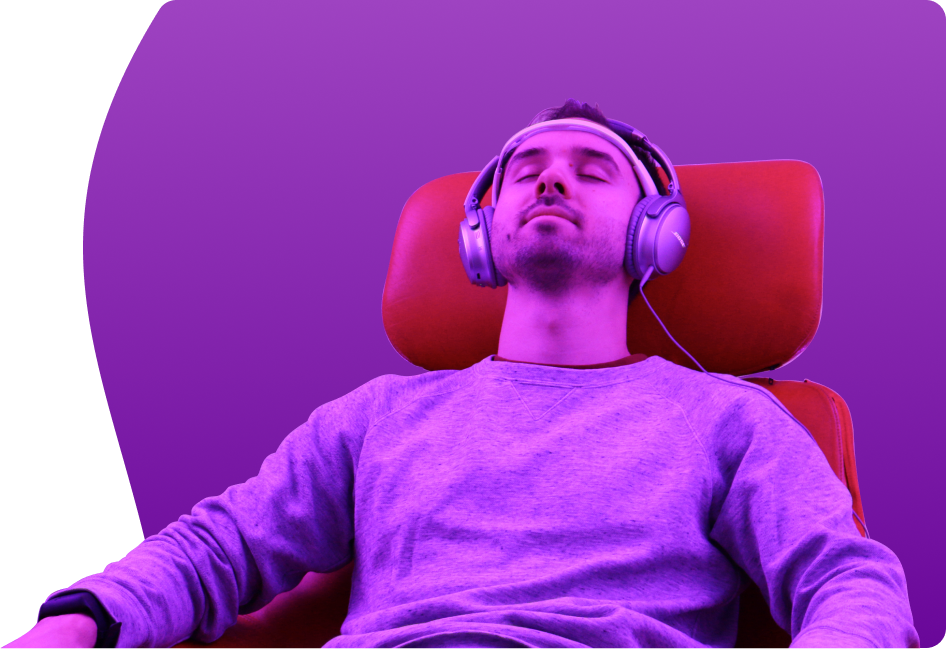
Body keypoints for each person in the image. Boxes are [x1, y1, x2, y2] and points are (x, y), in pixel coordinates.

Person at [8, 99, 919, 649]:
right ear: (479, 234)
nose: (551, 182)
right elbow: (221, 546)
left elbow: (850, 579)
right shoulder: (374, 416)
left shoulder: (732, 420)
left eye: (592, 171)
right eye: (526, 171)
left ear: (657, 234)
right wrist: (73, 622)